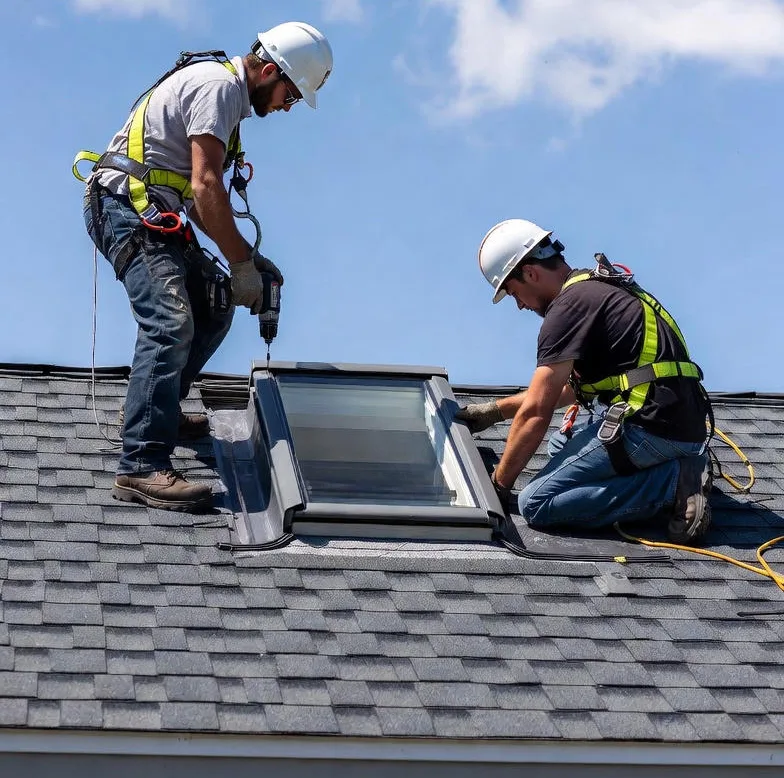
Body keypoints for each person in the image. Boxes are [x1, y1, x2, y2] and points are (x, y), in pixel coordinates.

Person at [80, 22, 333, 512]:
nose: (287, 106)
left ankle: (160, 411)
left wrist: (249, 263)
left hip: (154, 211)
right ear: (267, 70)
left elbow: (198, 199)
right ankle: (140, 464)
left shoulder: (230, 105)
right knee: (170, 321)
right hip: (121, 207)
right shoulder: (219, 88)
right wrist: (241, 261)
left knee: (215, 305)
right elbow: (205, 187)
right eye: (290, 94)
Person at [456, 219, 713, 545]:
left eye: (513, 292)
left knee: (536, 502)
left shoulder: (566, 309)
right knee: (560, 444)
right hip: (679, 422)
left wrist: (498, 486)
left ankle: (675, 481)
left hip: (654, 430)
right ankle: (672, 469)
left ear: (531, 274)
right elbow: (567, 390)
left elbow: (537, 410)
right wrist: (494, 412)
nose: (519, 304)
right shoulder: (595, 288)